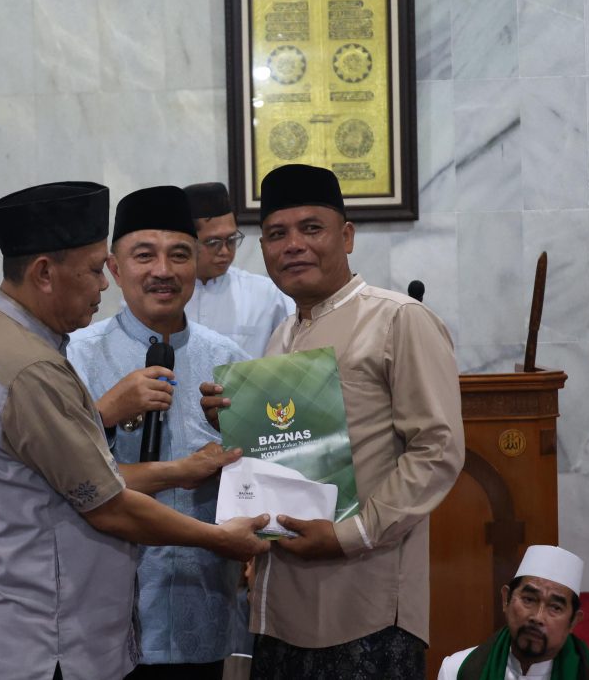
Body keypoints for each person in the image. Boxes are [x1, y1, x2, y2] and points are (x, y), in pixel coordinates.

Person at [0, 181, 270, 680]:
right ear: (45, 273)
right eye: (99, 269)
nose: (101, 285)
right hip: (54, 639)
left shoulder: (228, 361)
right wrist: (214, 530)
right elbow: (107, 500)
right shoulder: (50, 363)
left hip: (170, 620)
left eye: (180, 255)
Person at [200, 164, 465, 679]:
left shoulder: (397, 318)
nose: (293, 244)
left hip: (367, 601)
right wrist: (234, 425)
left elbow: (438, 450)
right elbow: (289, 451)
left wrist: (355, 534)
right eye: (277, 234)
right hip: (281, 605)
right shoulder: (281, 336)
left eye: (311, 228)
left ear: (346, 237)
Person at [68, 185, 251, 679]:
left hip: (202, 604)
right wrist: (103, 412)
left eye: (179, 255)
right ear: (114, 267)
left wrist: (240, 443)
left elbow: (258, 480)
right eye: (144, 255)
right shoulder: (76, 359)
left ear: (197, 264)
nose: (163, 272)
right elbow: (64, 483)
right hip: (104, 619)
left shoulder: (229, 361)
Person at [438, 545, 589, 679]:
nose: (537, 617)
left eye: (555, 607)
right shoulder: (458, 671)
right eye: (529, 600)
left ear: (573, 621)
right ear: (506, 599)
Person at [182, 182, 293, 357]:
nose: (225, 251)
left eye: (231, 239)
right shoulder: (165, 294)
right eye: (213, 242)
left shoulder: (267, 294)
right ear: (187, 242)